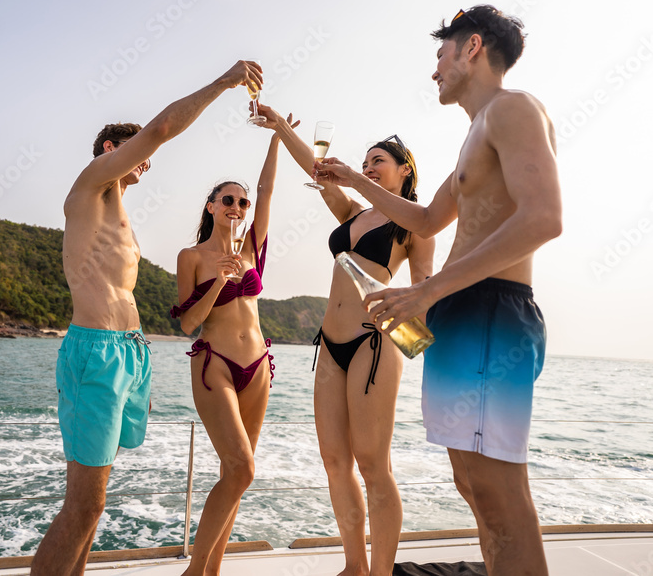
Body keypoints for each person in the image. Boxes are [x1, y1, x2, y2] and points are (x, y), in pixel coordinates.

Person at [317, 5, 562, 576]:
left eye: (440, 53)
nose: (434, 69)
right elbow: (427, 220)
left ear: (471, 47)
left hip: (488, 311)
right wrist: (355, 180)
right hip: (460, 315)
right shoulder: (475, 135)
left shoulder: (514, 109)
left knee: (499, 496)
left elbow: (545, 217)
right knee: (472, 487)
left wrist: (426, 293)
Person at [31, 60, 262, 576]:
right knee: (84, 504)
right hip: (94, 351)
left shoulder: (121, 214)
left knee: (97, 504)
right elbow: (160, 130)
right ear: (114, 150)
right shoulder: (90, 186)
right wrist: (224, 82)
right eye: (140, 155)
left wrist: (137, 361)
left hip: (125, 356)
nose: (149, 162)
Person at [259, 104, 435, 576]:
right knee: (335, 460)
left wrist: (411, 307)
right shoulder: (353, 212)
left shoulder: (415, 223)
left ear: (404, 171)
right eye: (367, 159)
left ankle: (381, 573)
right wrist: (278, 125)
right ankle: (354, 565)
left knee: (373, 463)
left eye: (380, 160)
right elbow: (317, 169)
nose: (369, 165)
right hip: (329, 346)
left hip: (372, 346)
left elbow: (425, 291)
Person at [169, 129, 283, 575]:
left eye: (242, 201)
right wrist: (220, 279)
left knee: (234, 477)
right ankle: (194, 572)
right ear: (211, 206)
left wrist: (277, 135)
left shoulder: (254, 244)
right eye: (227, 200)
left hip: (258, 368)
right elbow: (186, 323)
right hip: (214, 364)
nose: (237, 207)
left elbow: (269, 187)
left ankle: (212, 570)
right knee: (243, 470)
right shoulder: (191, 256)